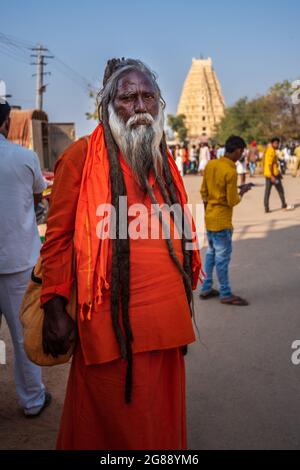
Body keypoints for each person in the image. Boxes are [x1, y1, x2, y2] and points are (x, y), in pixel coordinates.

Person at [40, 58, 202, 450]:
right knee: (111, 423)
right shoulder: (80, 158)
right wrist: (55, 307)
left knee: (159, 421)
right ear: (109, 104)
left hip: (166, 318)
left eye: (148, 96)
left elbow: (181, 232)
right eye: (129, 97)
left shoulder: (163, 158)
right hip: (110, 324)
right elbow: (58, 238)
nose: (141, 106)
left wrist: (183, 295)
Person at [0, 100, 51, 417]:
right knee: (22, 337)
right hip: (18, 262)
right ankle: (32, 401)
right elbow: (37, 194)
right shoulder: (22, 157)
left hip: (18, 261)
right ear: (6, 123)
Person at [200, 135, 251, 306]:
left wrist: (209, 207)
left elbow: (204, 191)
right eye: (241, 152)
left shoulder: (211, 164)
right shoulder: (230, 171)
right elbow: (232, 201)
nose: (241, 155)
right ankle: (226, 293)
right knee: (222, 258)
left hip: (210, 216)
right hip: (222, 220)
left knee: (211, 254)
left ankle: (206, 287)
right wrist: (242, 192)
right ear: (237, 150)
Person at [264, 137, 292, 213]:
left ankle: (266, 208)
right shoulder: (271, 151)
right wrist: (273, 176)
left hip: (269, 175)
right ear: (272, 143)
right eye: (276, 143)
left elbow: (274, 164)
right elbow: (270, 164)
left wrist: (279, 173)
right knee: (280, 190)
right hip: (272, 176)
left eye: (278, 143)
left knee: (267, 192)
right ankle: (284, 205)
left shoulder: (270, 150)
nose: (277, 144)